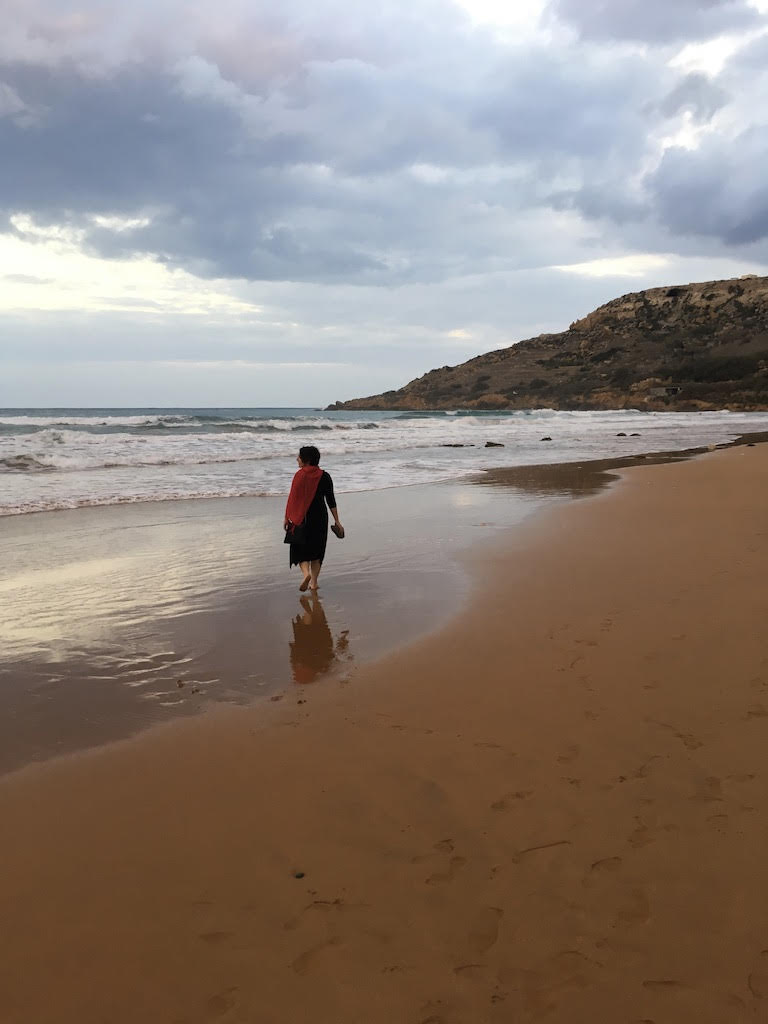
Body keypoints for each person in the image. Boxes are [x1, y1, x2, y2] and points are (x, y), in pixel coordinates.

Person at [284, 445, 343, 592]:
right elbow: (331, 500)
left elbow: (292, 498)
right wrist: (337, 520)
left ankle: (306, 574)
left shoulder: (299, 475)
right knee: (317, 551)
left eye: (299, 457)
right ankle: (314, 583)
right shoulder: (325, 476)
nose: (297, 459)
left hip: (301, 518)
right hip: (320, 517)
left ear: (307, 460)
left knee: (300, 548)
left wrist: (287, 517)